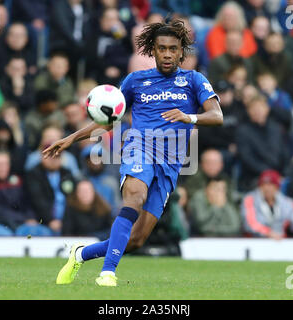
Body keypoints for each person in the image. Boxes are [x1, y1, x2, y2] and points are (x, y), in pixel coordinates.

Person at [43, 19, 223, 287]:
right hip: (140, 149)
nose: (167, 54)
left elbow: (217, 115)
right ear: (152, 49)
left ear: (181, 51)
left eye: (173, 49)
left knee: (137, 240)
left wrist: (189, 117)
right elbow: (110, 118)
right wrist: (71, 137)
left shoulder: (194, 80)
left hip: (171, 165)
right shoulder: (136, 80)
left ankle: (80, 254)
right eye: (161, 48)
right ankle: (107, 273)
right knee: (134, 197)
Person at [241, 169, 293, 240]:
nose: (267, 188)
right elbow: (250, 223)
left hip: (279, 243)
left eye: (270, 185)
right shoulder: (250, 199)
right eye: (264, 185)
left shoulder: (286, 203)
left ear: (277, 187)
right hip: (255, 242)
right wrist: (268, 233)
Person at [26, 145, 78, 235]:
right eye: (50, 155)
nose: (53, 159)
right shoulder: (33, 174)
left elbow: (72, 198)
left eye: (57, 156)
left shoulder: (67, 173)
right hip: (42, 221)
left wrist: (66, 221)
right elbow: (38, 200)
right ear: (42, 157)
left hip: (66, 220)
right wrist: (50, 220)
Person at [0, 150, 37, 231]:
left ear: (9, 165)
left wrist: (31, 218)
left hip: (23, 223)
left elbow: (27, 202)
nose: (1, 168)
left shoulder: (17, 181)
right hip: (0, 225)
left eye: (4, 164)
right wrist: (23, 219)